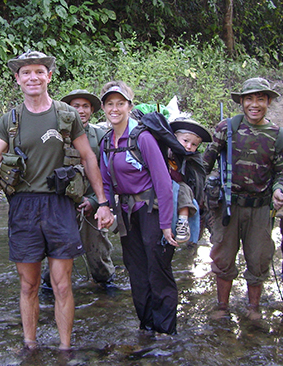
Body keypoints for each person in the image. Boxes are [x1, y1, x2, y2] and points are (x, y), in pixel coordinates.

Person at [0, 51, 114, 351]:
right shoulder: (11, 120)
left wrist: (103, 202)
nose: (33, 77)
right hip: (23, 209)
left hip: (59, 207)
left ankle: (65, 349)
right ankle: (29, 347)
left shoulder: (67, 116)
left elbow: (88, 157)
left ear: (49, 77)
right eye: (26, 73)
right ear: (17, 80)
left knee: (61, 284)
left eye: (39, 72)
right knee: (29, 285)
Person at [202, 77, 283, 320]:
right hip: (228, 205)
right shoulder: (226, 128)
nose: (254, 104)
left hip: (261, 208)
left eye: (260, 99)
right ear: (241, 101)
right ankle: (222, 306)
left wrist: (278, 190)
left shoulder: (278, 135)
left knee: (259, 257)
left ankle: (253, 308)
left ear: (268, 102)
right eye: (249, 98)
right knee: (223, 256)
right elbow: (205, 163)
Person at [99, 81, 178, 336]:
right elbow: (105, 181)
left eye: (120, 103)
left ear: (129, 106)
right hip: (127, 215)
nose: (115, 108)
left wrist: (166, 224)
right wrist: (107, 209)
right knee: (136, 271)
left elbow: (163, 182)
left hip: (151, 211)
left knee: (158, 270)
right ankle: (146, 327)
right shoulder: (106, 142)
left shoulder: (142, 137)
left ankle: (166, 333)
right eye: (110, 104)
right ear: (103, 108)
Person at [59, 89, 115, 286]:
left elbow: (109, 174)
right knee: (56, 258)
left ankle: (107, 294)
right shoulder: (56, 136)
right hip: (60, 205)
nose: (81, 111)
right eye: (76, 106)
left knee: (98, 256)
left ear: (92, 110)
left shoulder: (101, 137)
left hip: (92, 207)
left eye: (85, 106)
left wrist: (94, 201)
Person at [168, 117, 211, 244]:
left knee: (183, 189)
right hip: (162, 190)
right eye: (185, 141)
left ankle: (183, 221)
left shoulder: (193, 159)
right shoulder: (166, 152)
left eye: (194, 145)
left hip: (182, 190)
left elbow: (198, 179)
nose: (188, 146)